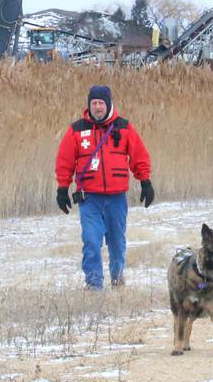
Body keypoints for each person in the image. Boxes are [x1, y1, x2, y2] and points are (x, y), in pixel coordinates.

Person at [55, 85, 154, 290]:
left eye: (101, 103)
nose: (97, 107)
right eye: (94, 103)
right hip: (89, 198)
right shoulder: (76, 129)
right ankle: (94, 286)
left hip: (116, 198)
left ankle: (117, 279)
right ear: (89, 105)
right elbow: (64, 161)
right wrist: (62, 188)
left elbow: (139, 156)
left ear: (108, 104)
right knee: (91, 242)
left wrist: (145, 181)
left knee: (117, 244)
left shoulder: (124, 127)